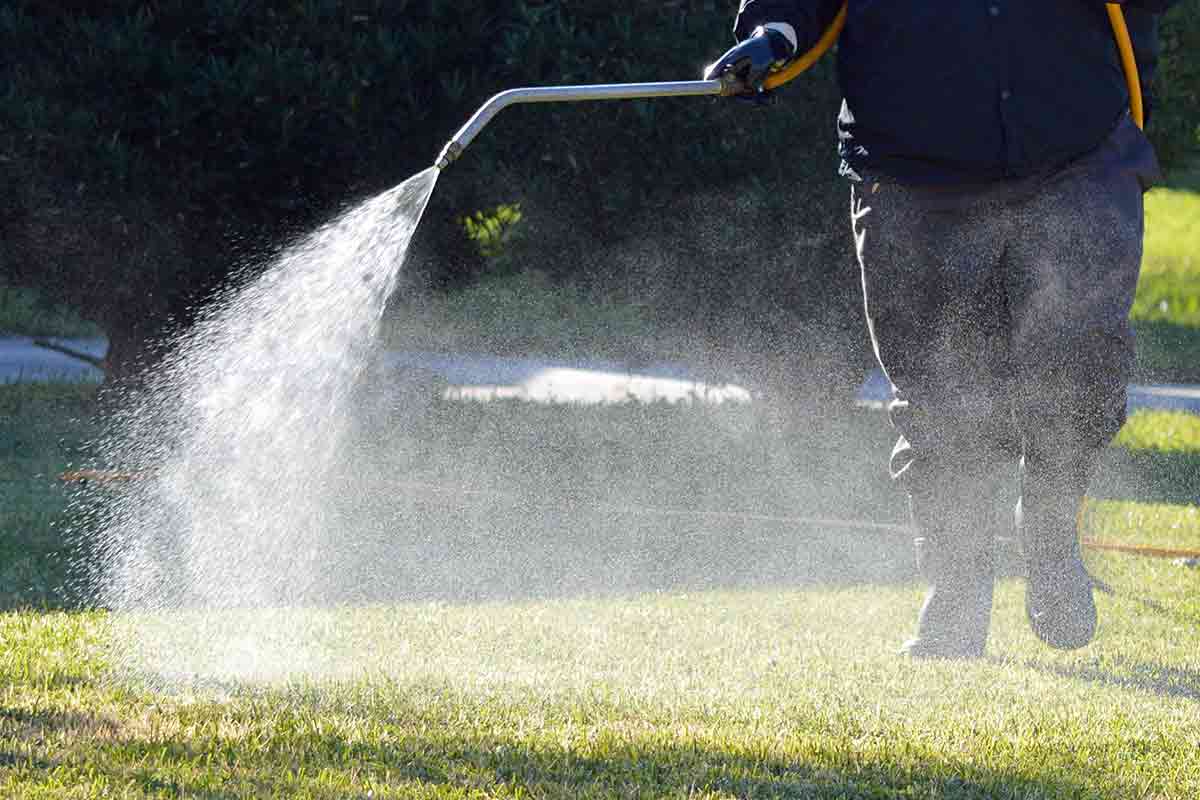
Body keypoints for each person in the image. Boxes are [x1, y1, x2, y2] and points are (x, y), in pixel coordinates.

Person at [704, 1, 1178, 658]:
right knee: (939, 396)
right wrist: (772, 33)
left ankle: (1050, 539)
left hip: (1076, 147)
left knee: (1082, 363)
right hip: (914, 171)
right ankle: (956, 596)